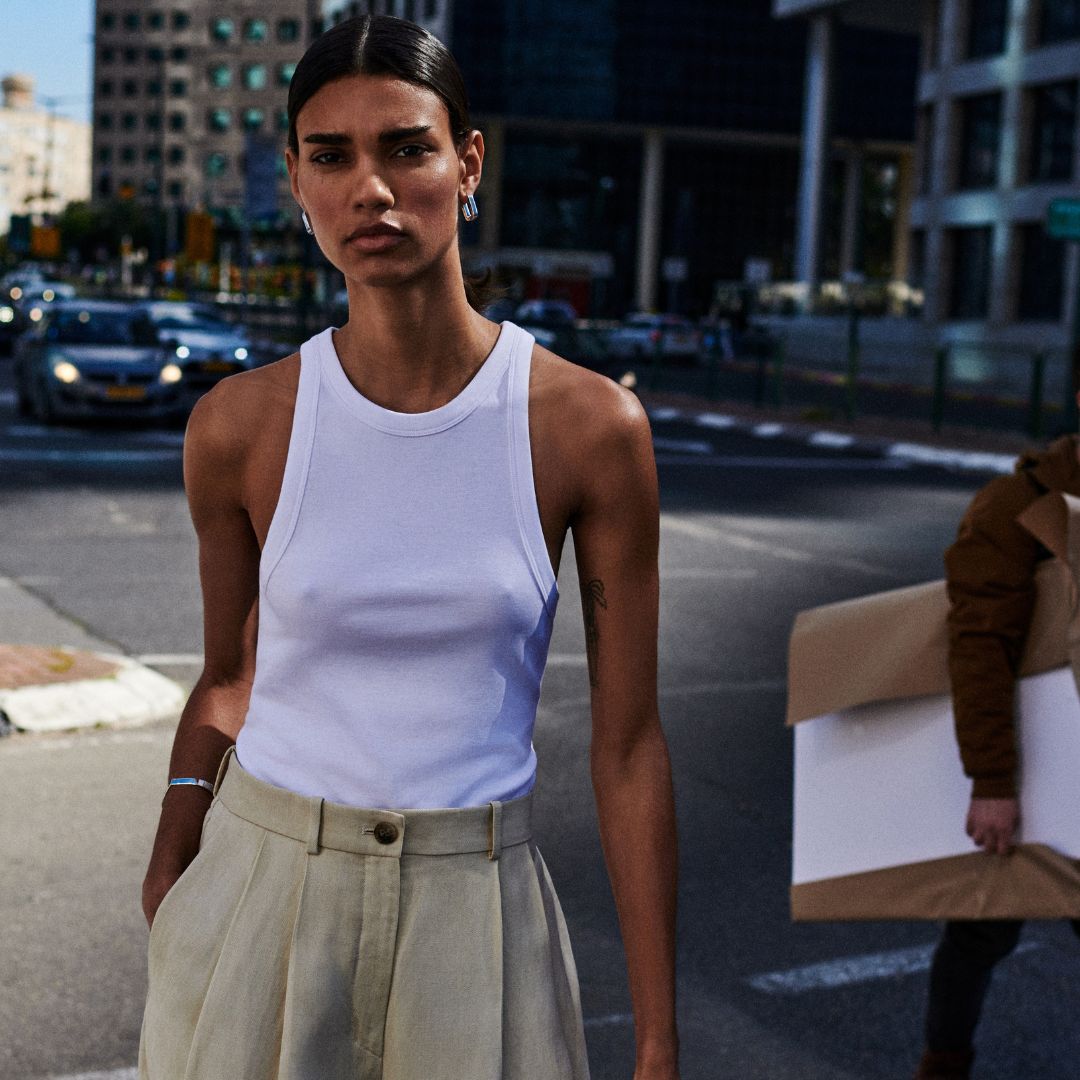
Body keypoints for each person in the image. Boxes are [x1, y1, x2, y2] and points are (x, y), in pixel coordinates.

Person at [137, 15, 679, 1080]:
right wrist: (169, 867)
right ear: (296, 179)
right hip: (262, 890)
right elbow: (228, 676)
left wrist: (658, 1038)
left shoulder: (587, 428)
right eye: (330, 156)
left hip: (477, 908)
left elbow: (629, 748)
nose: (369, 189)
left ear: (467, 161)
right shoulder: (238, 427)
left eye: (406, 147)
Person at [913, 418, 1080, 1079]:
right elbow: (980, 646)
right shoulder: (1015, 508)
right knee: (983, 929)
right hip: (1029, 772)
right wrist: (992, 782)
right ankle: (943, 1065)